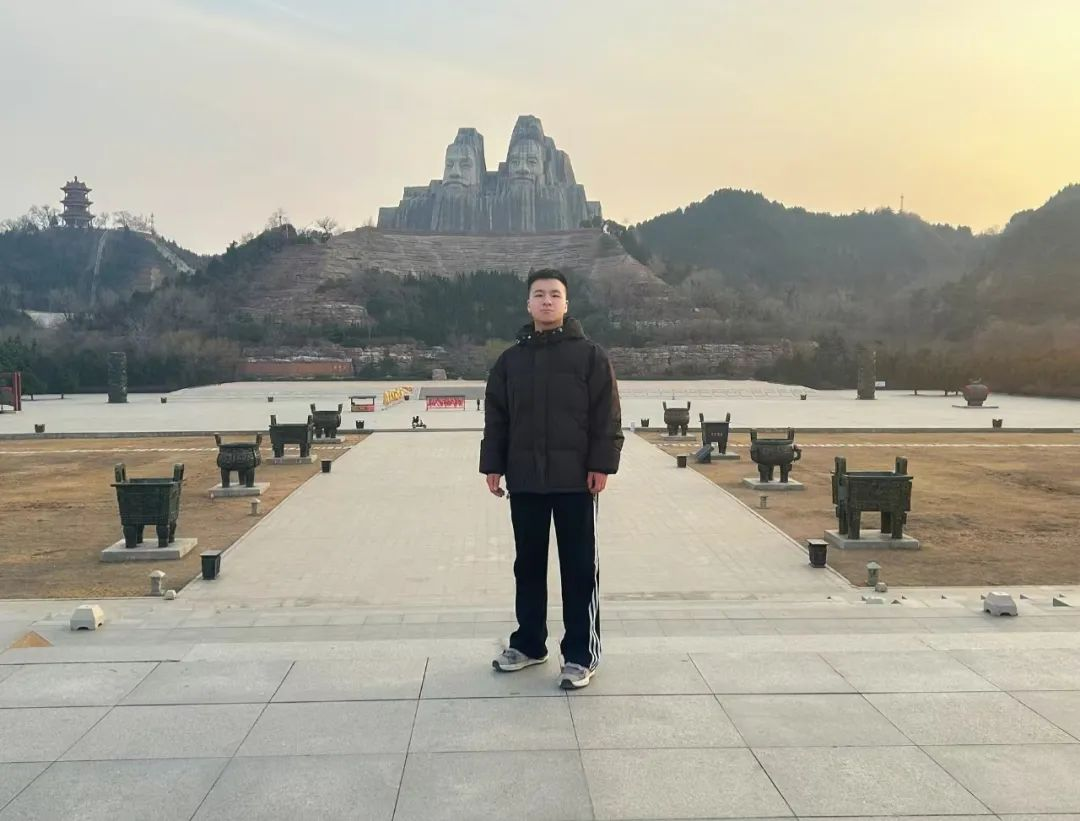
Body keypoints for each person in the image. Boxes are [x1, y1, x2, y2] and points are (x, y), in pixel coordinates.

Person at [480, 268, 623, 689]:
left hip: (576, 481)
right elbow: (497, 418)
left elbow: (607, 416)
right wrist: (493, 465)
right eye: (539, 294)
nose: (546, 301)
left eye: (554, 294)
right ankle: (529, 644)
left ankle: (580, 654)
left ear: (566, 303)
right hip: (525, 480)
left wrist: (601, 465)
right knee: (527, 566)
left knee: (579, 569)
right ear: (528, 304)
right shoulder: (510, 361)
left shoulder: (590, 356)